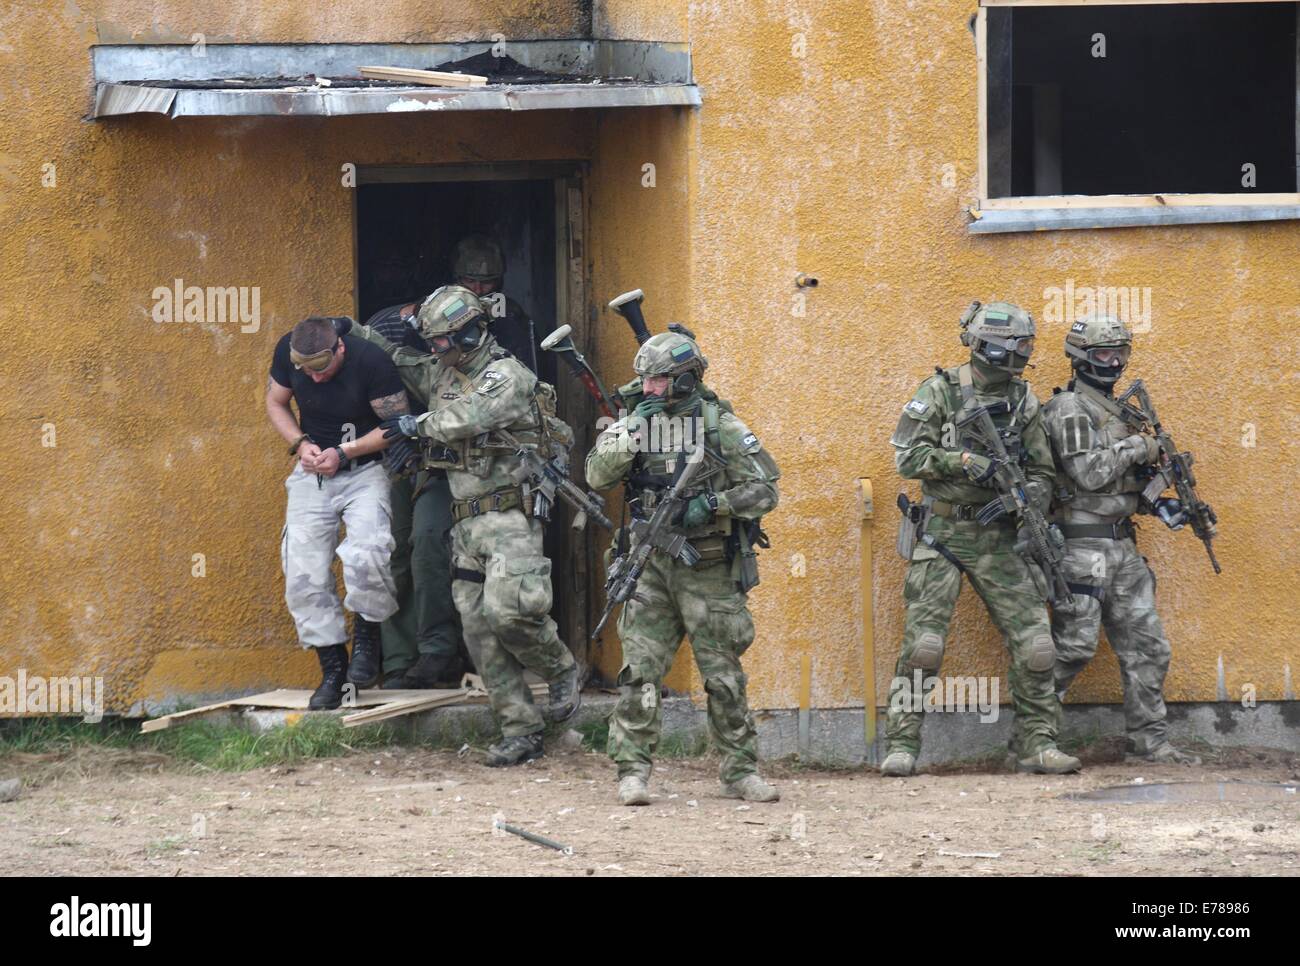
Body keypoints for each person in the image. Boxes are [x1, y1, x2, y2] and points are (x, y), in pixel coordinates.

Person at [358, 286, 582, 766]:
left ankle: (561, 668)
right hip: (466, 524)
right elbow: (402, 359)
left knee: (511, 613)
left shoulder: (507, 375)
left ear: (470, 332)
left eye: (441, 341)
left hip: (509, 517)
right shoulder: (445, 372)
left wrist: (413, 426)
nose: (435, 350)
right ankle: (520, 729)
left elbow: (471, 415)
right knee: (480, 631)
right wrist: (352, 333)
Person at [884, 301, 1082, 776]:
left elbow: (1042, 471)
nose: (1020, 355)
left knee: (1037, 645)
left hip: (1001, 535)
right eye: (1014, 346)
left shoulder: (1025, 401)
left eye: (1025, 347)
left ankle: (1037, 743)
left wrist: (1026, 496)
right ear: (987, 345)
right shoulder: (940, 391)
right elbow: (907, 458)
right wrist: (965, 463)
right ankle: (902, 744)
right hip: (945, 531)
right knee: (924, 646)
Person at [585, 329, 781, 806]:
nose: (649, 389)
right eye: (644, 381)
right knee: (640, 672)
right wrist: (632, 429)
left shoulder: (722, 427)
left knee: (723, 677)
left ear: (686, 379)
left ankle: (740, 771)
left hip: (708, 569)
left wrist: (713, 504)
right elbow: (596, 475)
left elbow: (766, 490)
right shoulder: (634, 422)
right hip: (650, 564)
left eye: (658, 380)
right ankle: (632, 770)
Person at [1043, 314, 1199, 764]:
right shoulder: (1068, 409)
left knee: (1148, 646)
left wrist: (1159, 497)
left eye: (1119, 353)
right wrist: (1142, 448)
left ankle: (1149, 743)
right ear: (1080, 358)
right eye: (1102, 354)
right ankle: (1034, 739)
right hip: (1081, 547)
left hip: (1122, 546)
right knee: (1073, 648)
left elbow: (1121, 483)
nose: (1113, 362)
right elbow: (1088, 473)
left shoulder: (1122, 412)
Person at [264, 316, 410, 709]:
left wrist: (345, 452)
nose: (312, 377)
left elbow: (396, 425)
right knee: (302, 571)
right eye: (303, 369)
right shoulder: (288, 352)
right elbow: (276, 402)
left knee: (369, 554)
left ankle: (367, 639)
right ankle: (332, 669)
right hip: (312, 473)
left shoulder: (372, 361)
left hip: (364, 470)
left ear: (339, 349)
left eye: (320, 367)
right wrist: (300, 442)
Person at [361, 301, 466, 689]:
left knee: (428, 545)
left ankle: (438, 651)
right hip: (398, 458)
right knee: (393, 553)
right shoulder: (384, 329)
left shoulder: (475, 343)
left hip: (448, 460)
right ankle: (399, 659)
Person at [451, 234, 553, 381]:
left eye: (486, 282)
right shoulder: (444, 310)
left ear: (498, 282)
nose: (478, 290)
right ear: (458, 278)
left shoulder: (510, 314)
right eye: (470, 281)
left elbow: (528, 370)